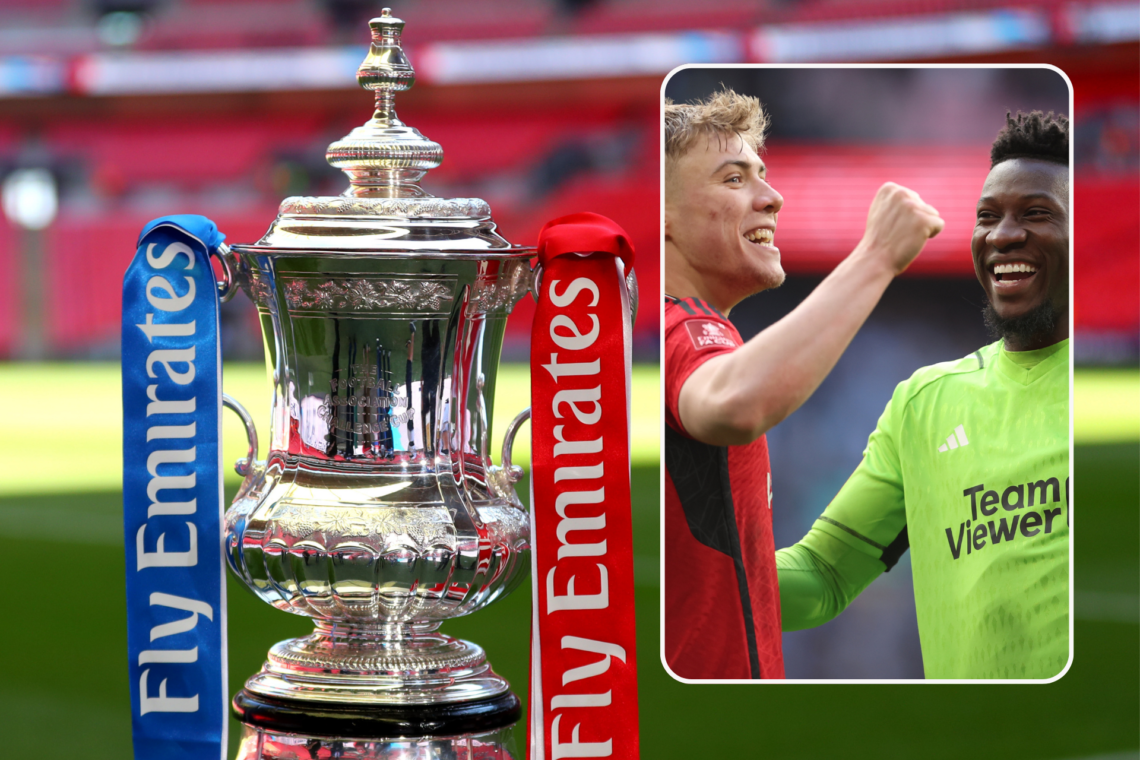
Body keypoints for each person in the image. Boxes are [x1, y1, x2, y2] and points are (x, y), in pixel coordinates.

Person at [776, 111, 1070, 680]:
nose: (1004, 234)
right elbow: (824, 575)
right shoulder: (923, 403)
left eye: (1037, 214)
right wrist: (707, 570)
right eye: (988, 216)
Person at [663, 89, 944, 679]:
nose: (772, 197)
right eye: (734, 178)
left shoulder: (680, 329)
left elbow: (735, 589)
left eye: (762, 175)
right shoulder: (681, 330)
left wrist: (855, 547)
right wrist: (876, 257)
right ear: (658, 213)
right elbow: (733, 404)